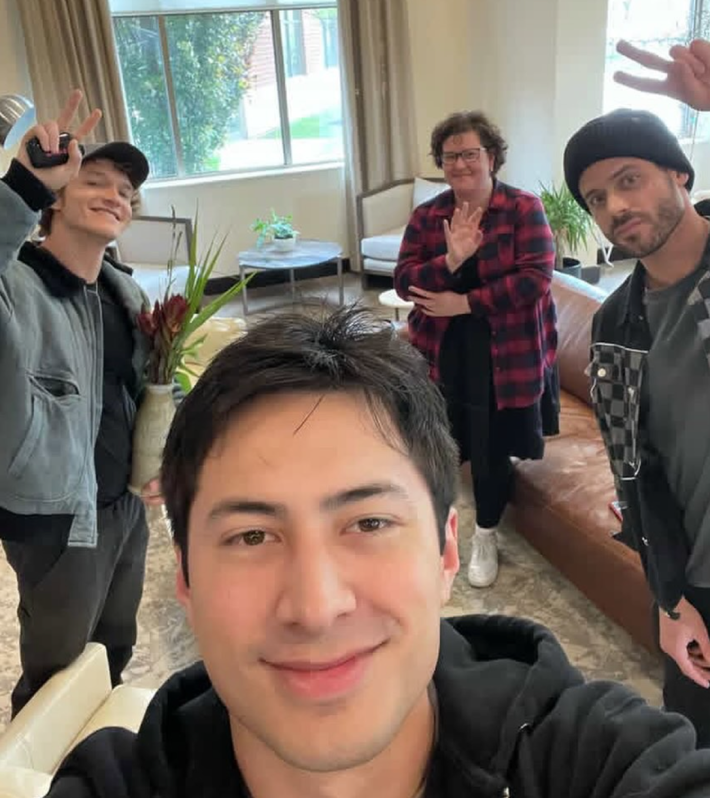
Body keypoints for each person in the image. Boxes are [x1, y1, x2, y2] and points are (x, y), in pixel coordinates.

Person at [46, 305, 710, 797]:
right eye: (251, 536)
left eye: (368, 523)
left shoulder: (592, 758)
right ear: (186, 579)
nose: (316, 608)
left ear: (446, 553)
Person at [0, 90, 158, 716]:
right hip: (56, 518)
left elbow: (147, 391)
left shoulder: (124, 293)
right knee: (55, 679)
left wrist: (163, 458)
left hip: (124, 508)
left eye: (125, 190)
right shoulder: (17, 285)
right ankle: (35, 764)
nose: (115, 195)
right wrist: (23, 185)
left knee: (113, 652)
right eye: (94, 181)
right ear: (56, 199)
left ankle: (99, 757)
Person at [564, 103, 710, 746]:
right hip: (699, 585)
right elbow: (632, 469)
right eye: (597, 198)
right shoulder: (616, 325)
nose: (616, 207)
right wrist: (670, 601)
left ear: (679, 174)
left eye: (630, 180)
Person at [393, 111, 558, 589]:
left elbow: (535, 279)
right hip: (442, 350)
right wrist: (450, 260)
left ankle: (485, 533)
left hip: (506, 353)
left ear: (492, 157)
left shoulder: (523, 209)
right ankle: (433, 531)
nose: (460, 164)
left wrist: (463, 302)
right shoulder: (429, 215)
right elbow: (404, 281)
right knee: (436, 443)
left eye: (470, 153)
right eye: (450, 156)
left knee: (489, 449)